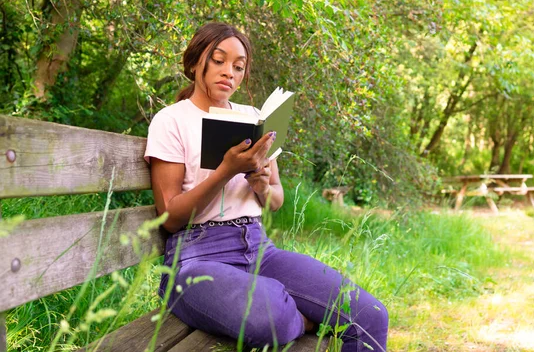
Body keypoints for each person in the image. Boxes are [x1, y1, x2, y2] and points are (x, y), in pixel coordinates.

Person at [144, 22, 388, 351]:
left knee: (370, 315)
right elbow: (170, 218)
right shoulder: (171, 120)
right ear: (193, 63)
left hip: (259, 249)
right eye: (218, 60)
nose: (228, 72)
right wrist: (226, 171)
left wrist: (259, 184)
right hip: (197, 258)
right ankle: (300, 317)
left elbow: (275, 198)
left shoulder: (254, 118)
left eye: (238, 66)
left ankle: (282, 303)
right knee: (270, 316)